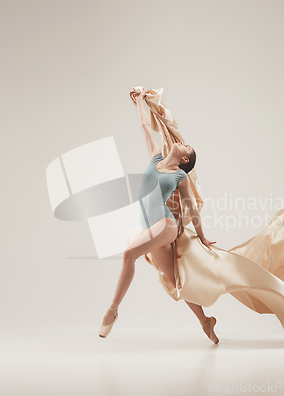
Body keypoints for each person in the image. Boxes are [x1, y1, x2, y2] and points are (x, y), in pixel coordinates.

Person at [99, 88, 219, 343]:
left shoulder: (180, 176)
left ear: (184, 157)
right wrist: (141, 100)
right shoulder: (155, 158)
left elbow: (193, 210)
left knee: (129, 253)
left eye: (185, 145)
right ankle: (205, 321)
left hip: (165, 226)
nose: (179, 141)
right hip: (149, 227)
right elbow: (145, 126)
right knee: (176, 282)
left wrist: (203, 237)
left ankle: (113, 310)